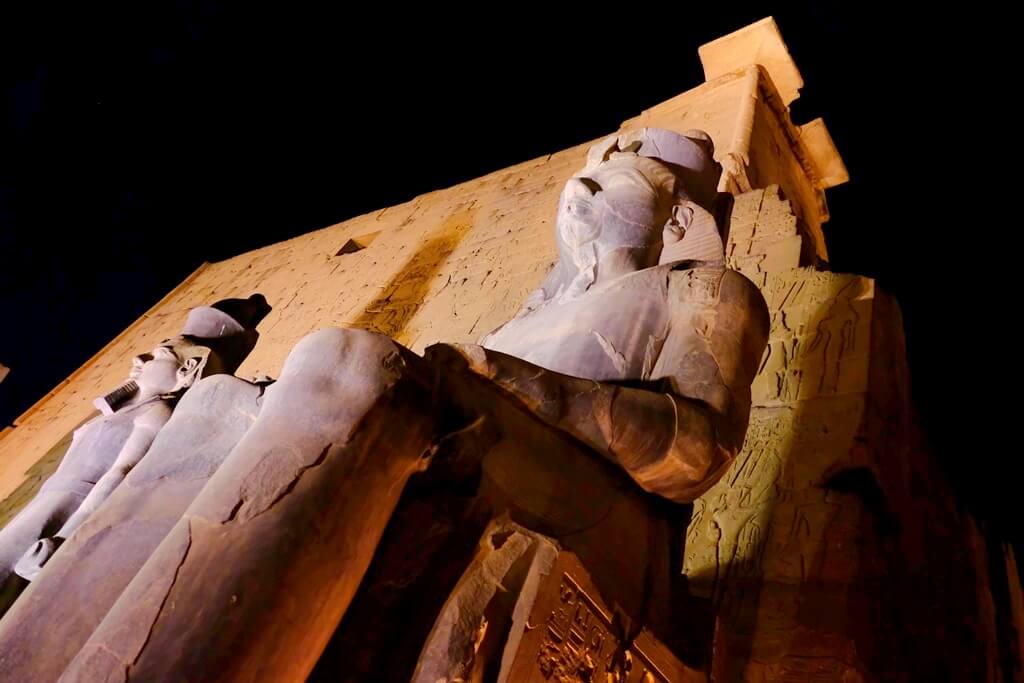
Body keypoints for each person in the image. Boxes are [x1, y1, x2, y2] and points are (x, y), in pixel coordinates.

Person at [57, 129, 769, 682]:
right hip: (493, 447)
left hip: (603, 513)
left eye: (622, 171)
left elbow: (695, 455)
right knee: (215, 403)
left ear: (676, 217)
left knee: (358, 362)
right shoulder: (532, 314)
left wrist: (529, 383)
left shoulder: (708, 290)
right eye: (592, 173)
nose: (585, 184)